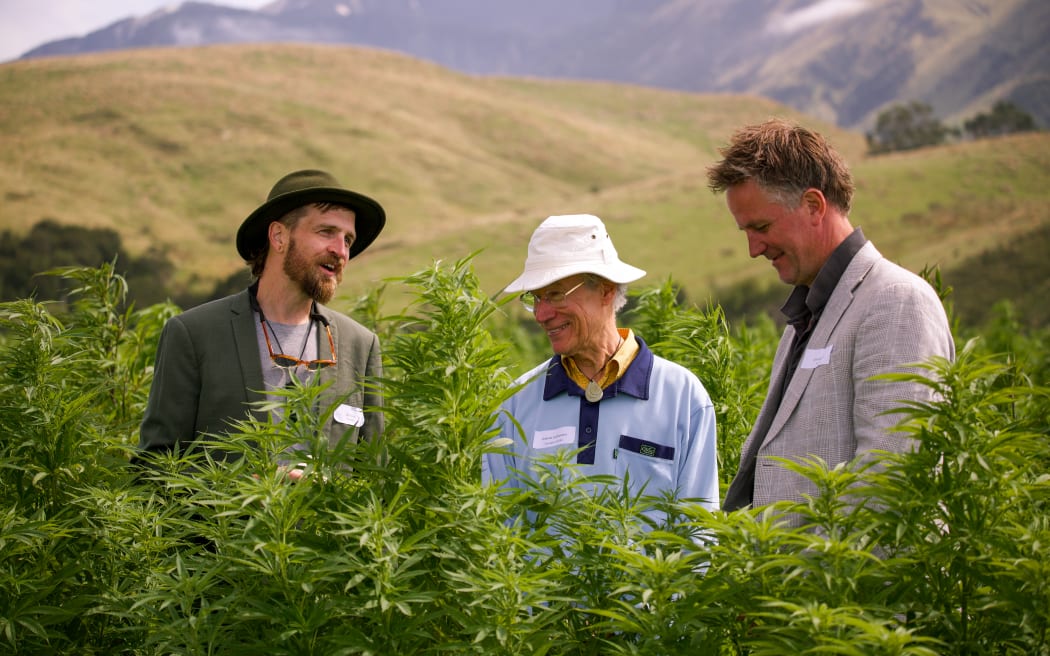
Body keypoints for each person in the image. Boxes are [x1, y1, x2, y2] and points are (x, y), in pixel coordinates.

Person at [706, 119, 955, 525]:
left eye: (761, 226)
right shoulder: (806, 317)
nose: (753, 249)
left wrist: (808, 580)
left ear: (813, 206)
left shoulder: (896, 301)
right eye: (745, 231)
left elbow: (892, 478)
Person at [137, 169, 385, 472]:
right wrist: (252, 486)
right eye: (326, 232)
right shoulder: (194, 334)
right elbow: (152, 469)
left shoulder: (360, 345)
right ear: (279, 236)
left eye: (348, 239)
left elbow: (374, 476)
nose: (341, 250)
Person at [483, 214, 720, 515]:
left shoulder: (682, 396)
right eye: (536, 298)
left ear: (606, 289)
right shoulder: (514, 404)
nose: (541, 314)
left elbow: (697, 534)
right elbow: (497, 530)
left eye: (555, 295)